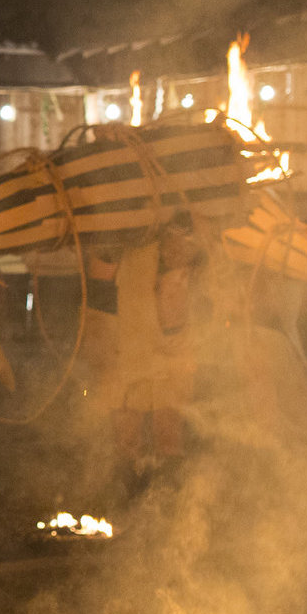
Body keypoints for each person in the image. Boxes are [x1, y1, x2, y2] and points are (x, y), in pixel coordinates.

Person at [100, 212, 205, 497]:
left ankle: (166, 512)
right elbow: (103, 259)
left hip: (174, 355)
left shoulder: (187, 270)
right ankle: (129, 506)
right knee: (127, 437)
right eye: (171, 242)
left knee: (168, 433)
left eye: (182, 243)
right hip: (131, 350)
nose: (175, 249)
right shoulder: (136, 250)